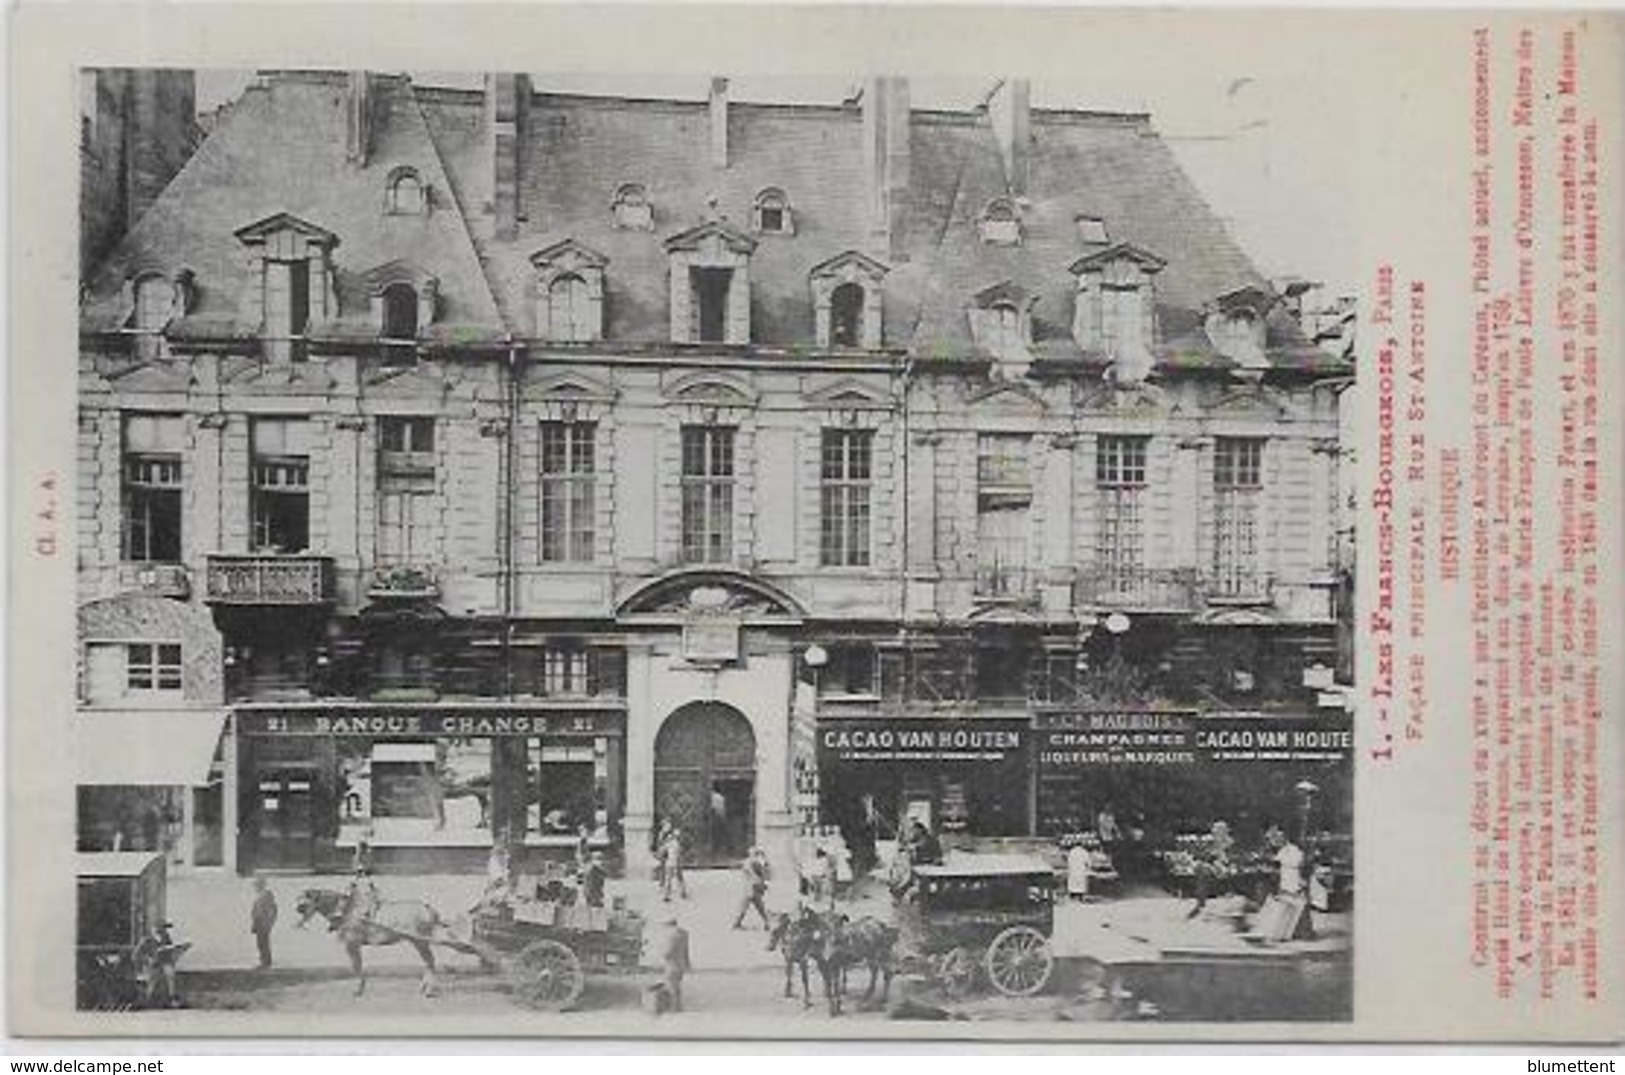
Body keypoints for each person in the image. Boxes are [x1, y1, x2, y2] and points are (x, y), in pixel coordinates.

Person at [655, 914, 692, 1012]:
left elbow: (668, 952)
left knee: (671, 987)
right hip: (681, 964)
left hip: (671, 965)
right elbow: (686, 950)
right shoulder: (684, 934)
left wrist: (662, 954)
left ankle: (674, 1008)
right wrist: (688, 964)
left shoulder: (670, 935)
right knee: (677, 987)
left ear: (668, 925)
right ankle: (679, 1007)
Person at [732, 846, 772, 929]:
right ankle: (766, 923)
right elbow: (765, 875)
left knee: (747, 906)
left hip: (749, 887)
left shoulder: (748, 862)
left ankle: (737, 923)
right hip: (754, 886)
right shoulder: (756, 863)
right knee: (759, 906)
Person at [250, 877, 278, 969]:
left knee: (263, 943)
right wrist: (254, 923)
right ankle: (264, 962)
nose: (255, 887)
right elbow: (255, 911)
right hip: (259, 923)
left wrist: (269, 923)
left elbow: (272, 910)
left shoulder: (266, 895)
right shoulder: (260, 896)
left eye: (256, 885)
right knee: (261, 943)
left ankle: (265, 963)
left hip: (263, 923)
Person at [659, 823, 688, 902]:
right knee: (679, 878)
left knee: (669, 879)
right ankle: (682, 892)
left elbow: (662, 852)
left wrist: (661, 855)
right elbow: (679, 854)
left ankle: (667, 895)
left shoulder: (668, 843)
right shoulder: (677, 844)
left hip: (669, 863)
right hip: (675, 863)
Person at [1065, 838, 1092, 902]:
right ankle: (1080, 896)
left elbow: (1068, 861)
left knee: (1073, 882)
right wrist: (1088, 867)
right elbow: (1089, 862)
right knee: (1081, 883)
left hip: (1073, 869)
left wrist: (1070, 867)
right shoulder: (1084, 852)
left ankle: (1072, 895)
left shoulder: (1072, 851)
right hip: (1081, 870)